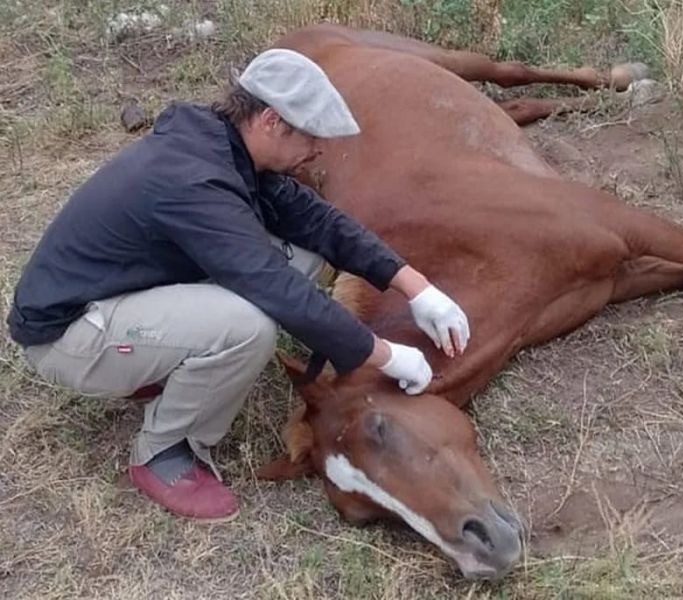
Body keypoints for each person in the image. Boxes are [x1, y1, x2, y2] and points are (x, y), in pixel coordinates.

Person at [6, 48, 471, 523]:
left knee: (305, 254)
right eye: (311, 136)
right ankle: (164, 452)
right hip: (70, 335)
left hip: (119, 296)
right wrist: (385, 355)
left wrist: (418, 289)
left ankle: (169, 363)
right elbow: (270, 284)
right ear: (271, 121)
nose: (318, 150)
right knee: (248, 326)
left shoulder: (225, 146)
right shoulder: (194, 181)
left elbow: (319, 223)